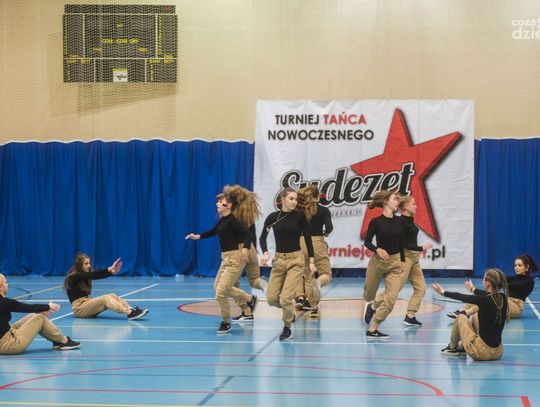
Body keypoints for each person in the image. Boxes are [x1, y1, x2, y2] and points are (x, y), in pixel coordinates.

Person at [186, 191, 257, 334]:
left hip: (234, 259)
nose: (217, 204)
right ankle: (249, 298)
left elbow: (248, 234)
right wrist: (198, 236)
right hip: (225, 258)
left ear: (228, 205)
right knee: (217, 286)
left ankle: (226, 321)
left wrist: (245, 249)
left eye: (220, 202)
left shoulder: (233, 221)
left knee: (220, 292)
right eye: (217, 201)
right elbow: (214, 231)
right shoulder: (223, 220)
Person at [260, 187, 317, 341]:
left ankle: (287, 328)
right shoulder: (273, 217)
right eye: (291, 199)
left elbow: (308, 239)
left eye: (296, 199)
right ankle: (290, 311)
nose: (294, 202)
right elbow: (262, 237)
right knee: (271, 299)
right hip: (278, 260)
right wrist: (265, 253)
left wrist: (311, 261)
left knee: (285, 298)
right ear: (282, 199)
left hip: (295, 260)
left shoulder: (300, 216)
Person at [372, 195, 432, 327]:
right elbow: (402, 243)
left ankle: (410, 316)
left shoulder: (410, 219)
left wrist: (416, 251)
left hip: (414, 258)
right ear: (405, 207)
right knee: (395, 289)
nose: (416, 206)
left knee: (421, 288)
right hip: (405, 257)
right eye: (413, 204)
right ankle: (373, 305)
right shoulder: (400, 221)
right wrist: (420, 248)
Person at [433, 268, 508, 361]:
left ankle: (452, 347)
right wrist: (473, 289)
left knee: (460, 317)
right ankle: (462, 346)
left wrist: (443, 292)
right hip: (498, 353)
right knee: (475, 317)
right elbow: (487, 294)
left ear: (488, 283)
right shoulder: (503, 298)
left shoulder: (483, 300)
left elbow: (462, 297)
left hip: (481, 352)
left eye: (483, 279)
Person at [0, 273, 80, 354]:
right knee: (40, 318)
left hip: (5, 335)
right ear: (0, 287)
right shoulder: (4, 302)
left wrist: (40, 310)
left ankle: (58, 341)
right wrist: (48, 307)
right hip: (8, 345)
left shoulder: (4, 302)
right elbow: (27, 307)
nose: (7, 285)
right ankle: (63, 341)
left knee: (33, 315)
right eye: (5, 282)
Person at [221, 185, 267, 322]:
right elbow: (252, 234)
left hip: (239, 250)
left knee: (229, 285)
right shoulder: (248, 214)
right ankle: (249, 310)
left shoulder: (232, 215)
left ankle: (248, 304)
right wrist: (252, 250)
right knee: (254, 279)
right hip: (251, 247)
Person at [362, 190, 404, 339]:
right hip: (378, 262)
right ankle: (371, 305)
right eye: (395, 199)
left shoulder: (400, 221)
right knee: (369, 294)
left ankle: (373, 328)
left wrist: (402, 261)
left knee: (391, 298)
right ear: (386, 201)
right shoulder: (376, 222)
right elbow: (367, 242)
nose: (398, 202)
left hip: (395, 263)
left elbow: (402, 242)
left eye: (398, 200)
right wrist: (377, 249)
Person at [448, 254, 537, 320]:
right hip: (505, 301)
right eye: (515, 265)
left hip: (516, 306)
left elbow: (511, 286)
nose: (516, 267)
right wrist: (475, 288)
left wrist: (496, 281)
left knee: (490, 301)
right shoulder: (512, 278)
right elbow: (490, 292)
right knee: (482, 298)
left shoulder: (529, 281)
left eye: (519, 265)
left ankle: (466, 313)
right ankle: (463, 310)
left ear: (527, 267)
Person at [64, 253, 149, 321]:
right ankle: (128, 312)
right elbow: (93, 274)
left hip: (86, 304)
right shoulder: (73, 276)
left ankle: (131, 310)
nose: (89, 265)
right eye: (86, 264)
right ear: (79, 265)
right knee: (105, 299)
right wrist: (109, 269)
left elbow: (97, 275)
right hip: (80, 309)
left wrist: (111, 272)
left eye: (89, 263)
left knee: (112, 295)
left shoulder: (83, 275)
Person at [295, 185, 333, 318]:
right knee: (326, 274)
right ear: (318, 196)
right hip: (317, 242)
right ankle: (319, 282)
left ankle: (308, 303)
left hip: (301, 242)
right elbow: (329, 227)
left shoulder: (300, 210)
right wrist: (325, 233)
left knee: (306, 275)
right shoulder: (324, 211)